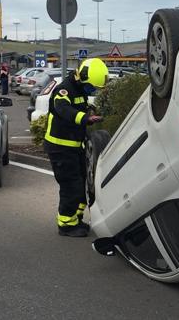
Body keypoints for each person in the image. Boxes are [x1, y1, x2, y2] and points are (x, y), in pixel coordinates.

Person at [45, 58, 107, 237]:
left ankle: (75, 219)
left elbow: (79, 105)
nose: (92, 90)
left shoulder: (79, 89)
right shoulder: (63, 90)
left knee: (82, 183)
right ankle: (66, 224)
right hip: (60, 148)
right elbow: (64, 109)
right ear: (82, 77)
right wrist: (85, 118)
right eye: (91, 87)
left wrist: (89, 110)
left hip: (74, 147)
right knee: (70, 186)